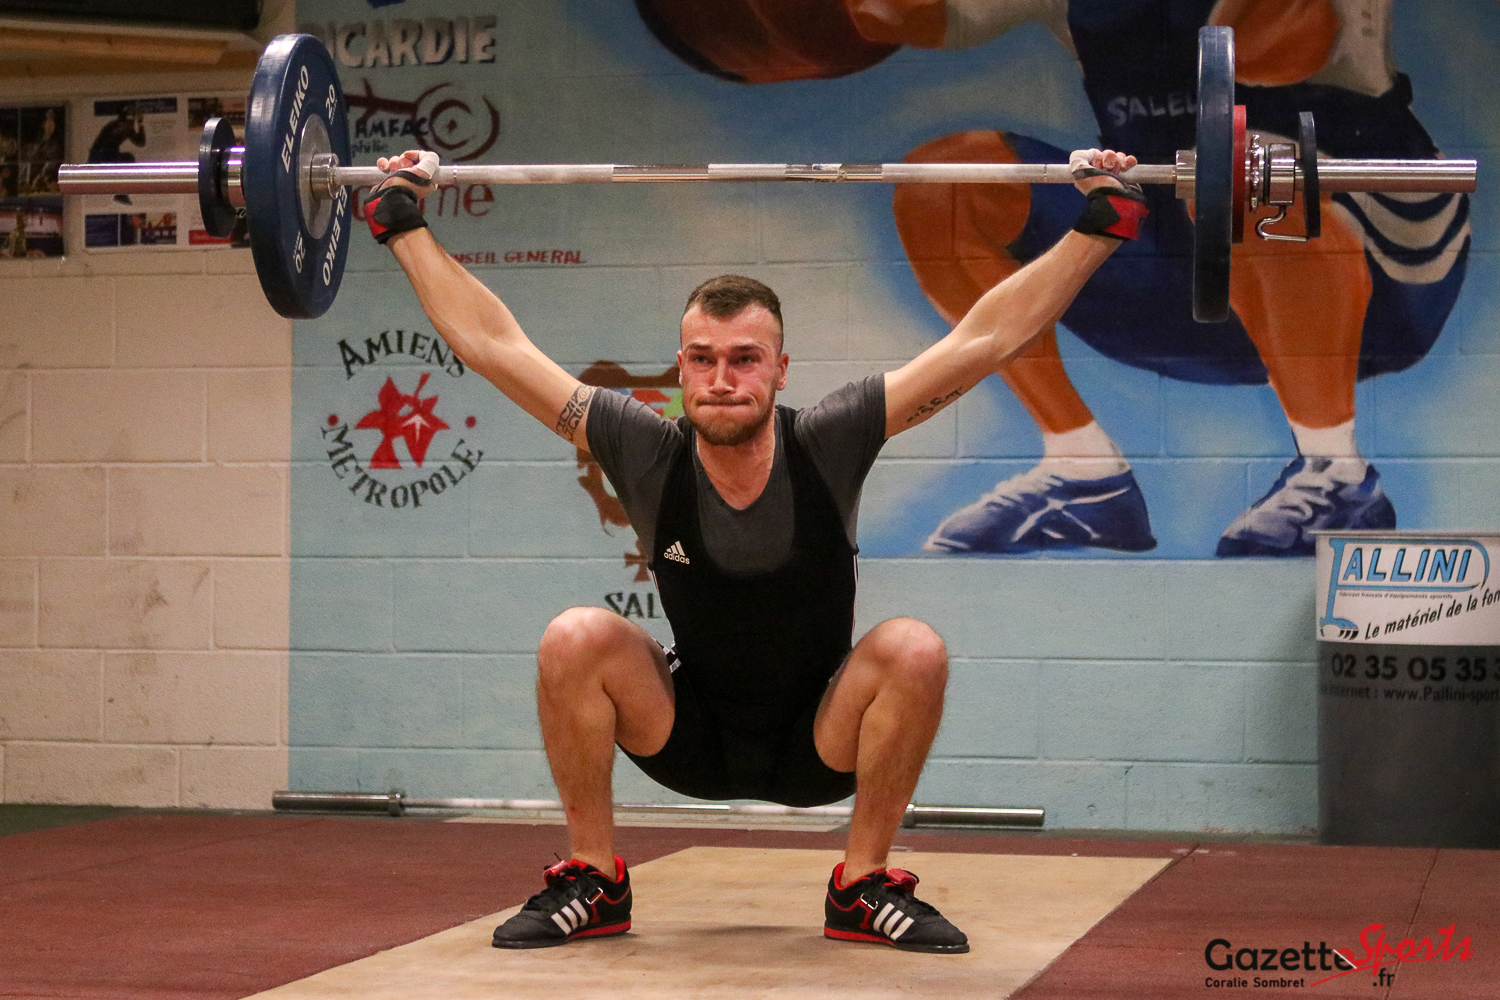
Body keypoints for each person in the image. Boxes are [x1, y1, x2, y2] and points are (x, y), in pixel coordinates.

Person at [364, 143, 1147, 953]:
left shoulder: (832, 438)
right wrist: (401, 223)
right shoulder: (641, 446)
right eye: (703, 360)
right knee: (575, 637)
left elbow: (982, 341)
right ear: (681, 370)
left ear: (779, 371)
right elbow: (494, 345)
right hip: (687, 735)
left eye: (745, 360)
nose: (722, 379)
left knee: (914, 648)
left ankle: (861, 886)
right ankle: (595, 879)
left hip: (820, 741)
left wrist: (1100, 225)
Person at [632, 0, 1468, 557]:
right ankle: (1084, 471)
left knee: (1242, 165)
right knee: (948, 185)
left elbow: (1276, 45)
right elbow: (907, 15)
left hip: (1383, 265)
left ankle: (1336, 473)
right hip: (1184, 272)